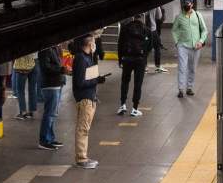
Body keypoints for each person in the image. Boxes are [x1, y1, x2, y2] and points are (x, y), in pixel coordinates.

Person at [71, 34, 108, 169]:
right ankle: (81, 158)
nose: (95, 44)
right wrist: (96, 80)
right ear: (88, 44)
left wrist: (96, 79)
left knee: (85, 128)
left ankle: (83, 156)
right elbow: (80, 82)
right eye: (93, 42)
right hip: (85, 98)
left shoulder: (87, 57)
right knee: (83, 129)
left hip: (89, 97)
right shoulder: (81, 59)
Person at [172, 0, 208, 98]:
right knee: (182, 68)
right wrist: (177, 43)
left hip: (196, 47)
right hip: (183, 46)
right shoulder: (179, 17)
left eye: (188, 4)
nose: (186, 6)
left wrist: (201, 41)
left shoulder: (197, 15)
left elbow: (204, 30)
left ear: (192, 4)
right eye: (185, 5)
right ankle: (181, 89)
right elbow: (174, 30)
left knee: (192, 68)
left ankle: (189, 88)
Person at [37, 43, 68, 151]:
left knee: (53, 114)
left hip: (56, 83)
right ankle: (44, 140)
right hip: (50, 84)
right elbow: (45, 67)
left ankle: (50, 138)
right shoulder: (45, 49)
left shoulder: (54, 48)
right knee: (49, 114)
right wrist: (61, 70)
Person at [117, 13, 149, 117]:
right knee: (138, 84)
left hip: (127, 59)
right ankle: (135, 109)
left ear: (133, 17)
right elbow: (150, 46)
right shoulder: (146, 29)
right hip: (140, 60)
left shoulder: (125, 28)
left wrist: (120, 60)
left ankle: (123, 105)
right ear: (142, 17)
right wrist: (144, 58)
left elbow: (120, 44)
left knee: (125, 82)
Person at [12, 53, 39, 120]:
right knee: (32, 88)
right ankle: (31, 112)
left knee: (20, 89)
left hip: (23, 62)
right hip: (35, 61)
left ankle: (22, 112)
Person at [146, 5, 167, 73]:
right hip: (152, 30)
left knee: (144, 48)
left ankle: (144, 67)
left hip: (140, 30)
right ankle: (158, 66)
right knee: (157, 47)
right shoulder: (155, 3)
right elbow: (159, 16)